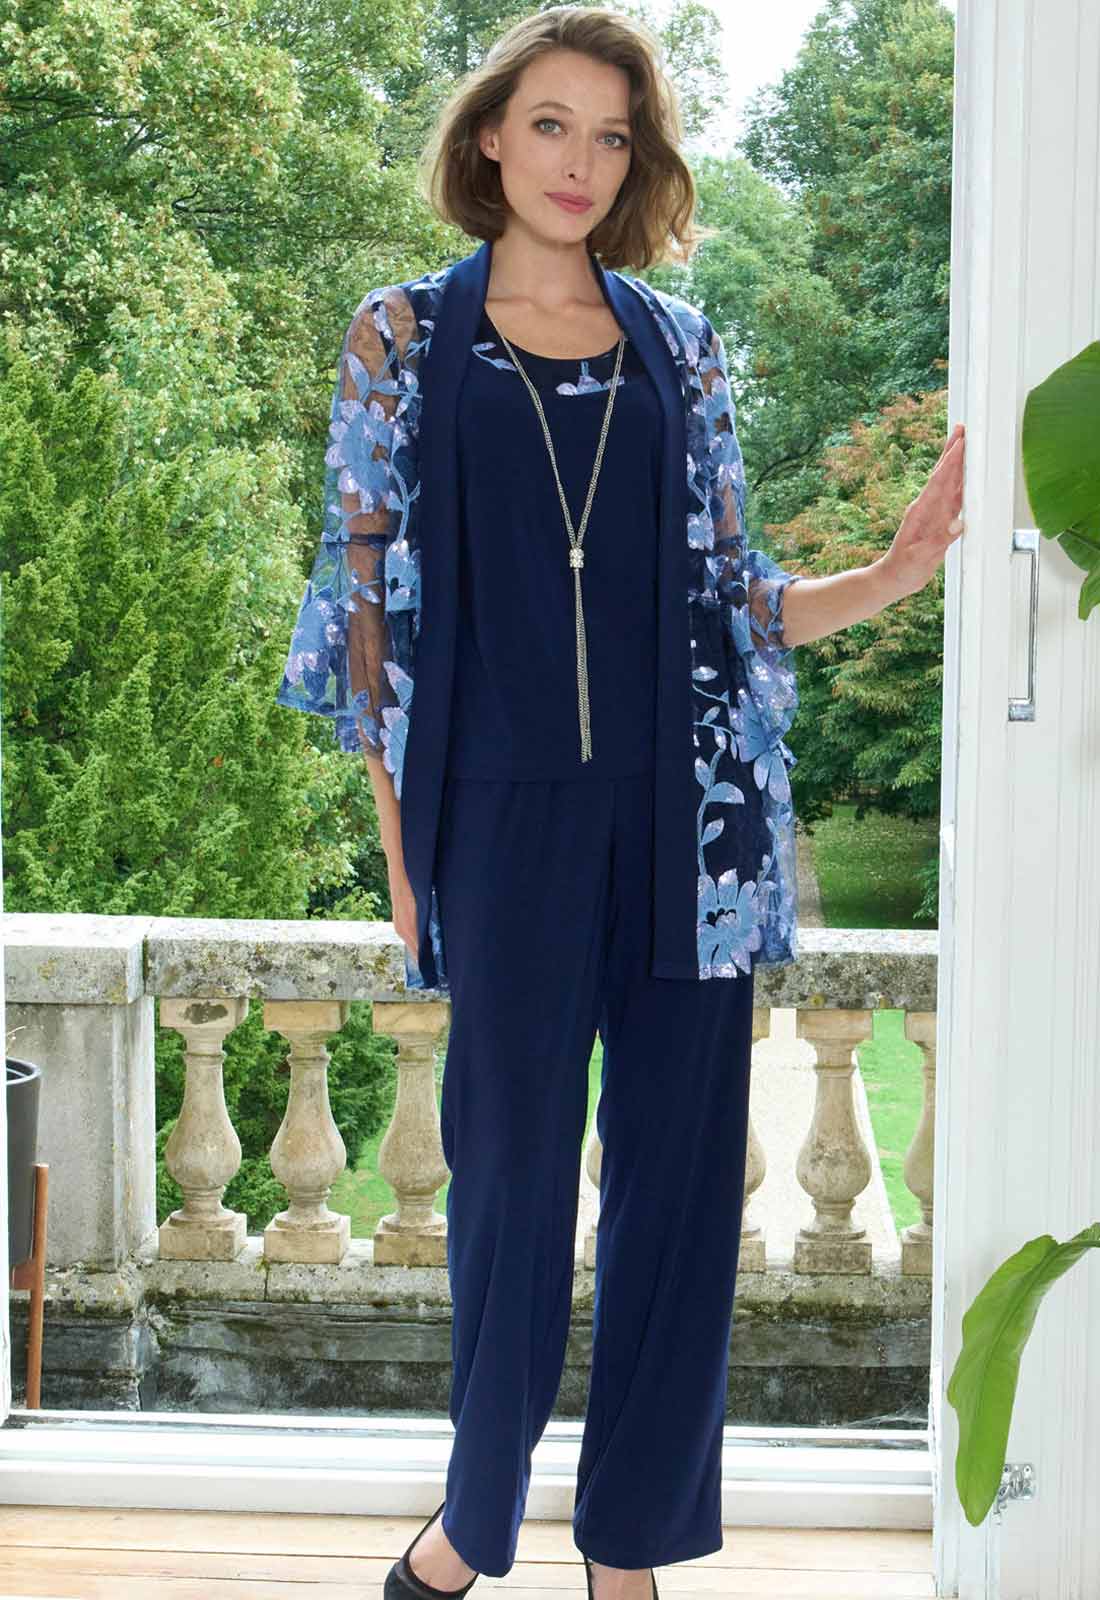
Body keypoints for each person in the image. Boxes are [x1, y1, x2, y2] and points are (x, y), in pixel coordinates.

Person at [273, 8, 966, 1598]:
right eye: (551, 124)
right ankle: (473, 1522)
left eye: (612, 135)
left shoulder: (681, 344)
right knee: (508, 1186)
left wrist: (892, 573)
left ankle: (631, 1552)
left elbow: (732, 592)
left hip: (687, 825)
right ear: (490, 137)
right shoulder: (403, 335)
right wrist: (401, 850)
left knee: (680, 1190)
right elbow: (365, 609)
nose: (580, 161)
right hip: (498, 817)